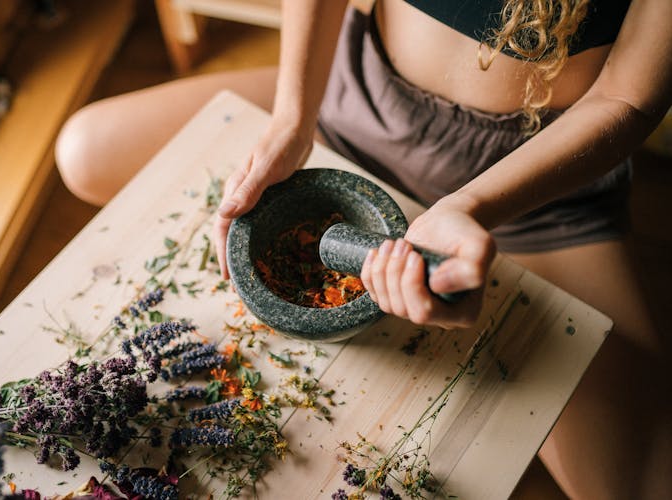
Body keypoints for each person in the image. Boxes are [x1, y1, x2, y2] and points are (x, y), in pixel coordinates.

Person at [55, 0, 671, 497]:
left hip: (532, 187)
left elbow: (627, 98)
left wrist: (466, 207)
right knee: (84, 150)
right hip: (350, 104)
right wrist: (290, 120)